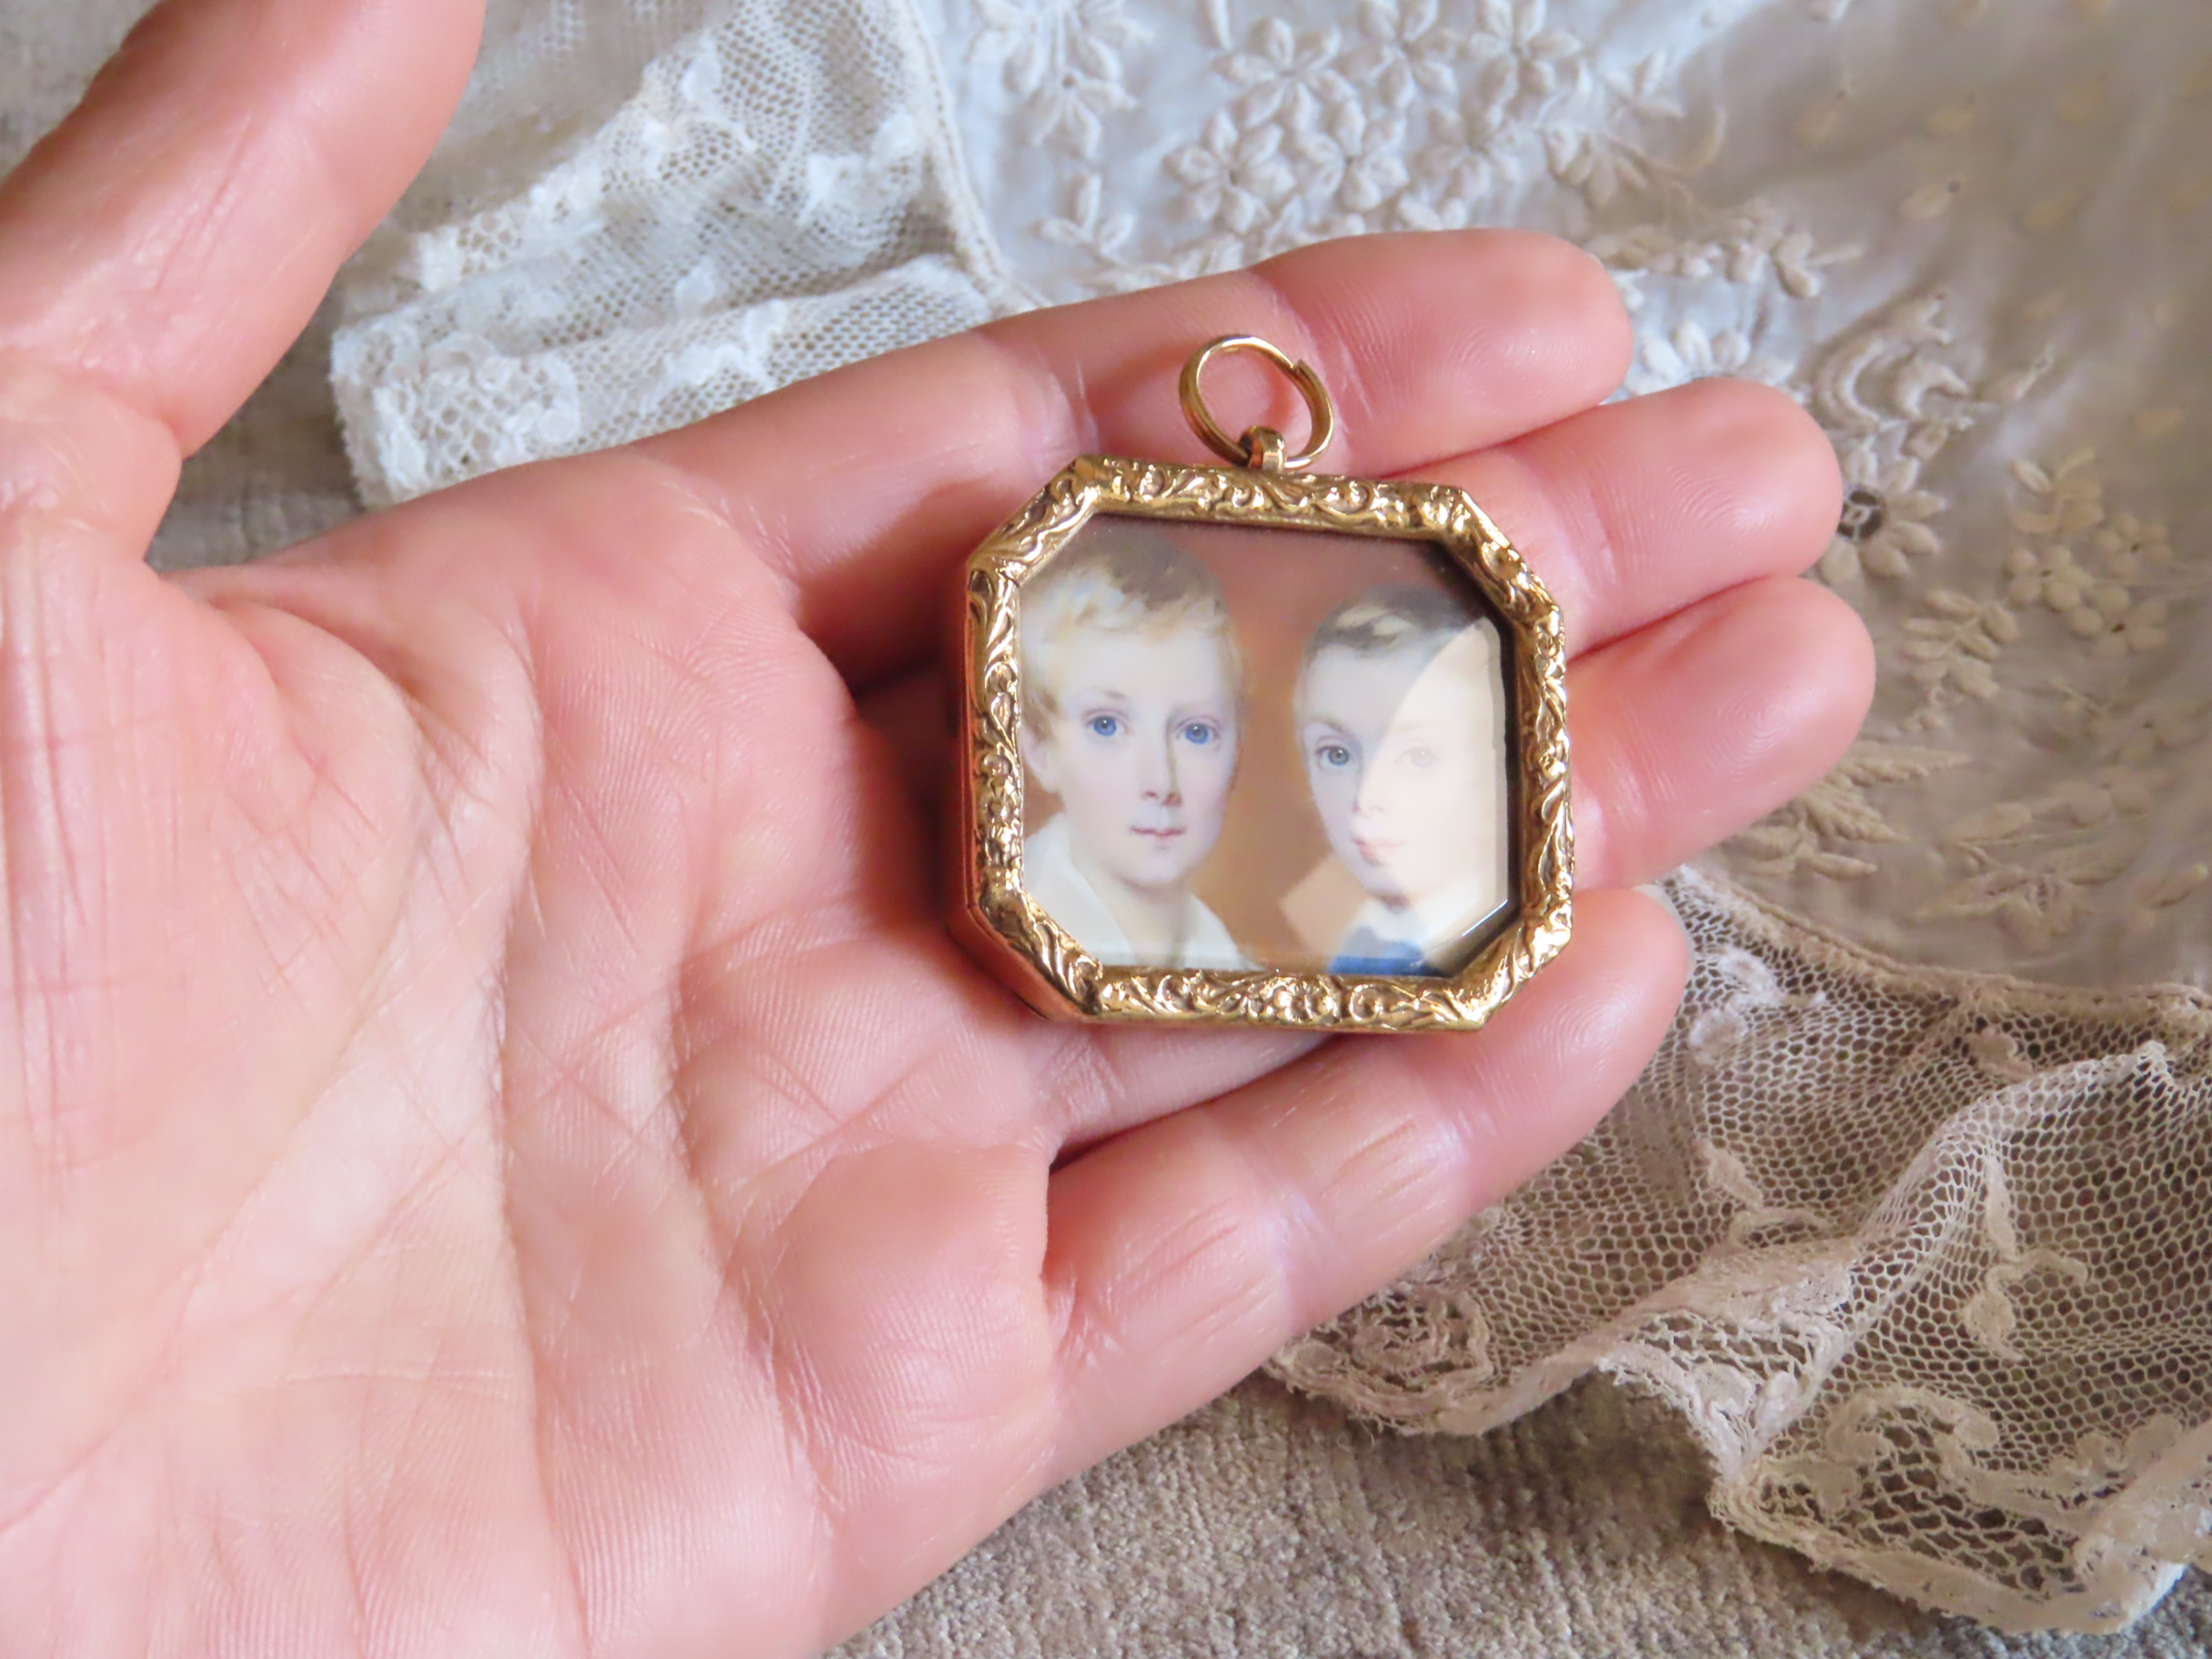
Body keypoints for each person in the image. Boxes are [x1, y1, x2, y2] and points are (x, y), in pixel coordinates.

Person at [0, 0, 1873, 1651]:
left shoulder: (1332, 899)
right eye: (1109, 721)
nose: (1160, 771)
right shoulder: (1132, 868)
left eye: (1199, 727)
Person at [1020, 530, 1250, 970]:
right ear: (1039, 749)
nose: (1160, 782)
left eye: (1196, 732)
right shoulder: (1017, 932)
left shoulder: (1243, 972)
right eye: (1106, 726)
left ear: (1236, 748)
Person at [1298, 586, 1513, 976]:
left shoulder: (1499, 946)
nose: (1366, 797)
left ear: (1490, 771)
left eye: (1418, 758)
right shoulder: (1352, 938)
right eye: (1337, 755)